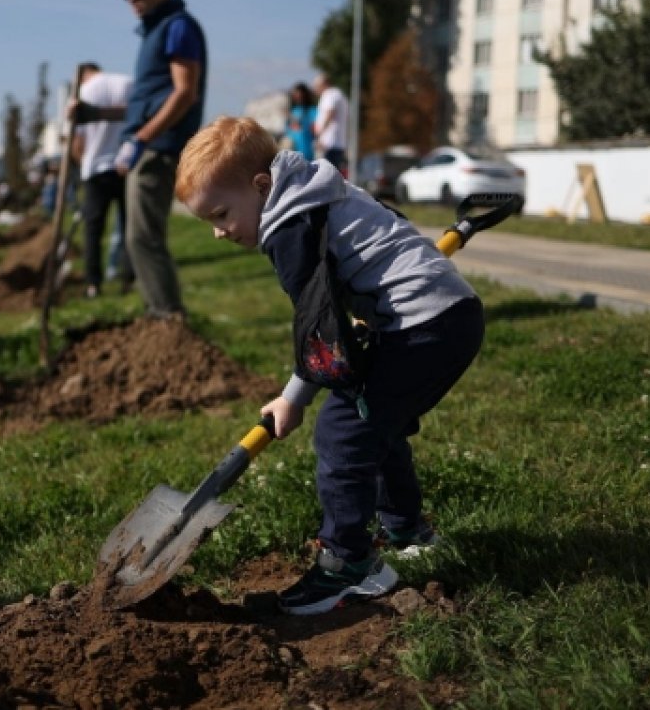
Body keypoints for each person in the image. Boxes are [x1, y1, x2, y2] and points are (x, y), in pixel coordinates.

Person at [175, 116, 485, 616]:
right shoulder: (317, 188)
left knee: (342, 432)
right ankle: (409, 530)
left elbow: (325, 333)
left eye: (221, 214)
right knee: (372, 419)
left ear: (260, 187)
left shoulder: (288, 226)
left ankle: (348, 564)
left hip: (423, 326)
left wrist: (293, 398)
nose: (217, 232)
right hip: (449, 316)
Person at [106, 0, 206, 318]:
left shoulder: (177, 27)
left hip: (159, 148)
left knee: (142, 238)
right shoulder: (156, 31)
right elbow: (151, 98)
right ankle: (158, 312)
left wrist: (141, 139)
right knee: (139, 237)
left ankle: (167, 315)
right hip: (150, 145)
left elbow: (184, 92)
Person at [71, 63, 135, 299]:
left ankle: (93, 284)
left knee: (93, 231)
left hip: (96, 168)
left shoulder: (84, 92)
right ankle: (128, 279)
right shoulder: (128, 83)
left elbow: (78, 142)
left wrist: (81, 161)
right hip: (126, 165)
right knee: (129, 225)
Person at [313, 72, 349, 175]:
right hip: (337, 142)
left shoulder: (329, 95)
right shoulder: (339, 94)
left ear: (323, 84)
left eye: (317, 86)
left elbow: (330, 113)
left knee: (327, 174)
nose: (316, 89)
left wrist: (320, 135)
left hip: (329, 142)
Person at [285, 82, 317, 160]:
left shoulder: (312, 110)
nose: (297, 98)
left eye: (299, 95)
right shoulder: (293, 111)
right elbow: (287, 130)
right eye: (295, 95)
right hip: (293, 151)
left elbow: (314, 129)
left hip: (307, 150)